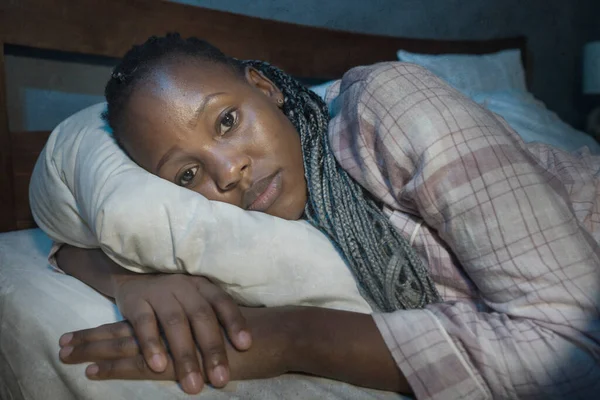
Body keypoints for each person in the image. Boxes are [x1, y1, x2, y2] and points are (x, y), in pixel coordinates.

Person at [54, 34, 600, 399]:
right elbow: (74, 221)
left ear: (265, 89)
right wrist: (123, 277)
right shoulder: (268, 220)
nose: (230, 172)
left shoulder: (388, 103)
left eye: (226, 121)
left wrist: (296, 337)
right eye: (188, 176)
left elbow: (574, 348)